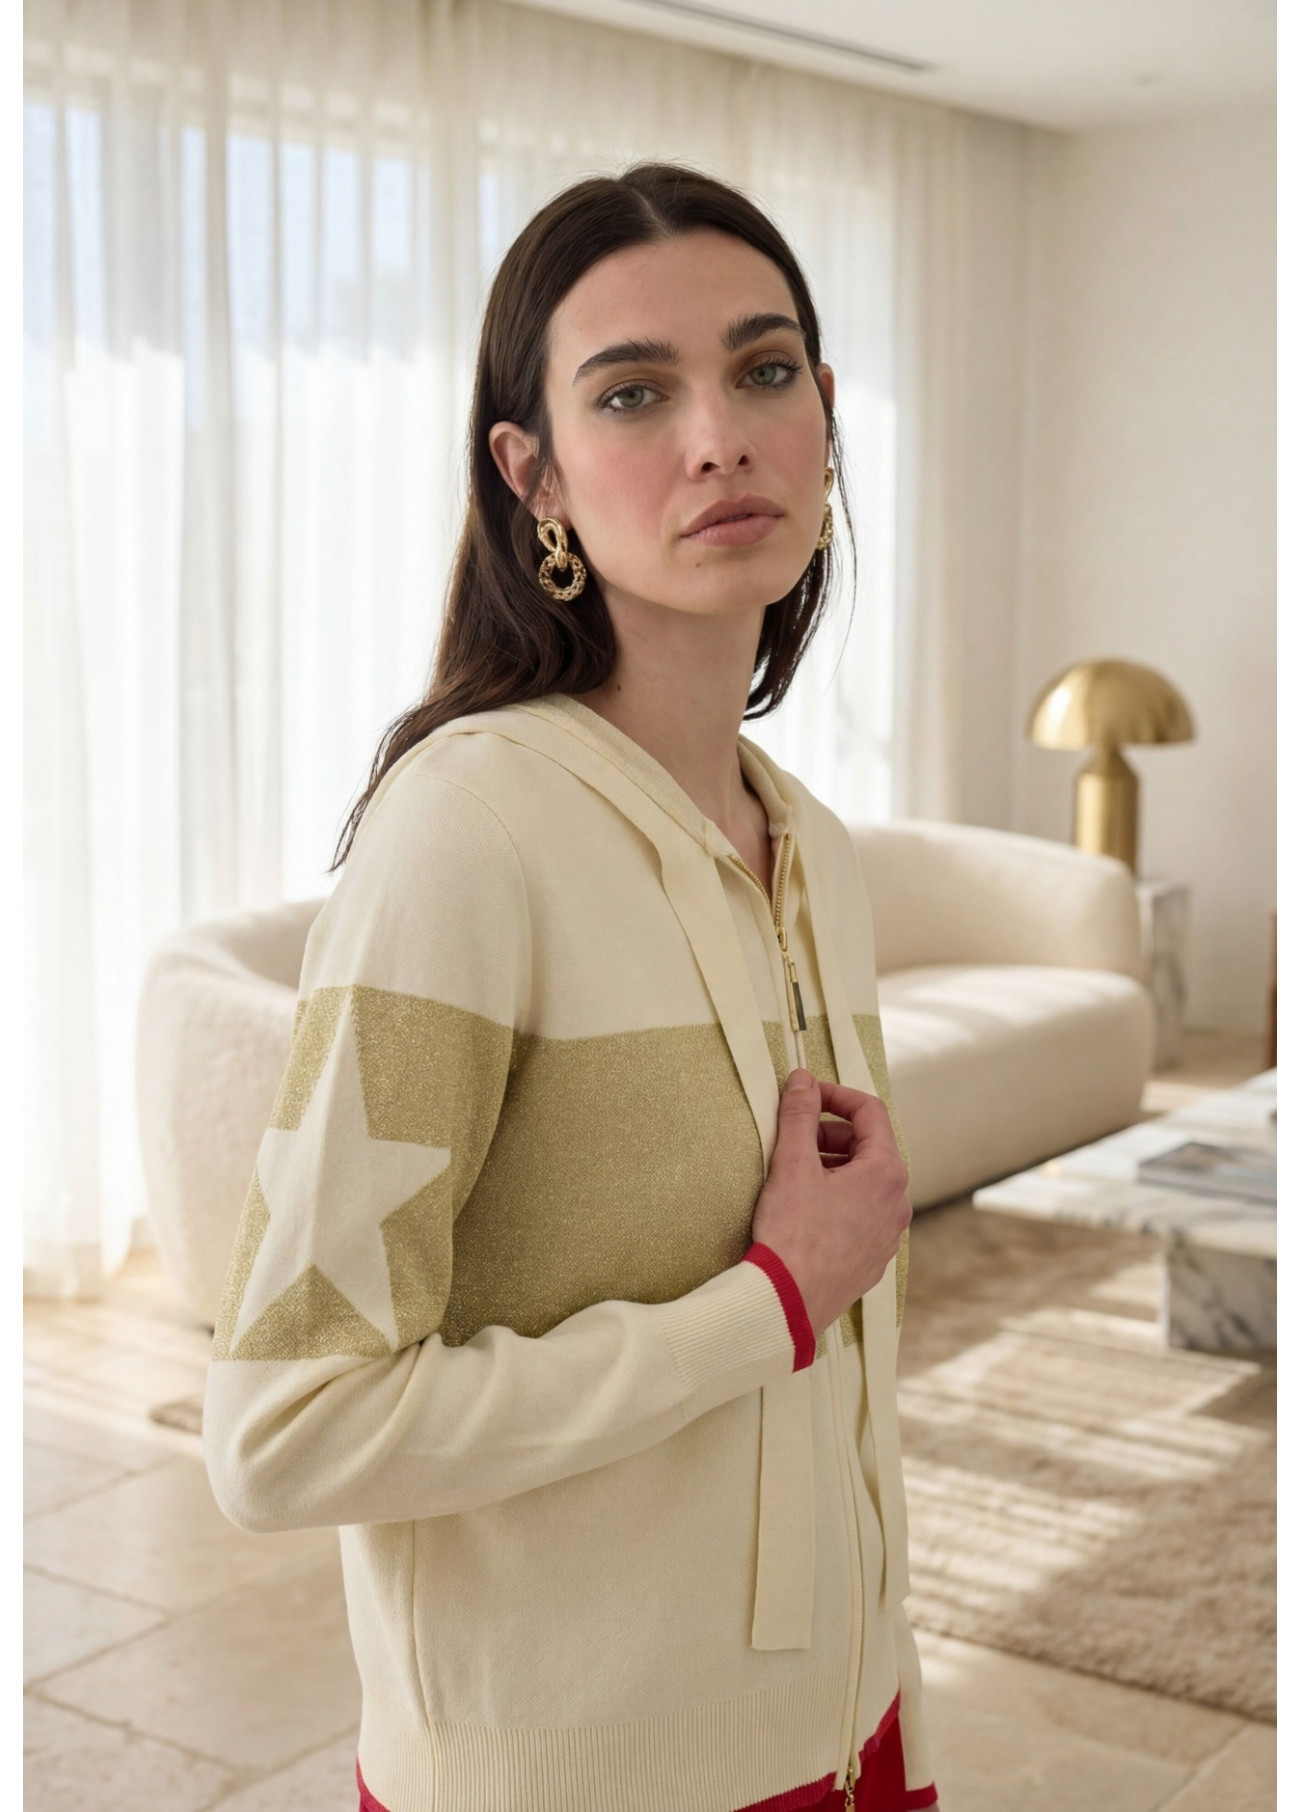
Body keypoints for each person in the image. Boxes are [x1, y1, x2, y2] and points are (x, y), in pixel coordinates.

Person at [204, 161, 939, 1812]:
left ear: (826, 415)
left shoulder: (811, 848)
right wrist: (764, 1307)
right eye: (633, 393)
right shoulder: (467, 833)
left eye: (764, 371)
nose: (718, 438)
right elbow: (285, 1430)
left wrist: (887, 1702)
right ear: (528, 471)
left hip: (850, 1737)